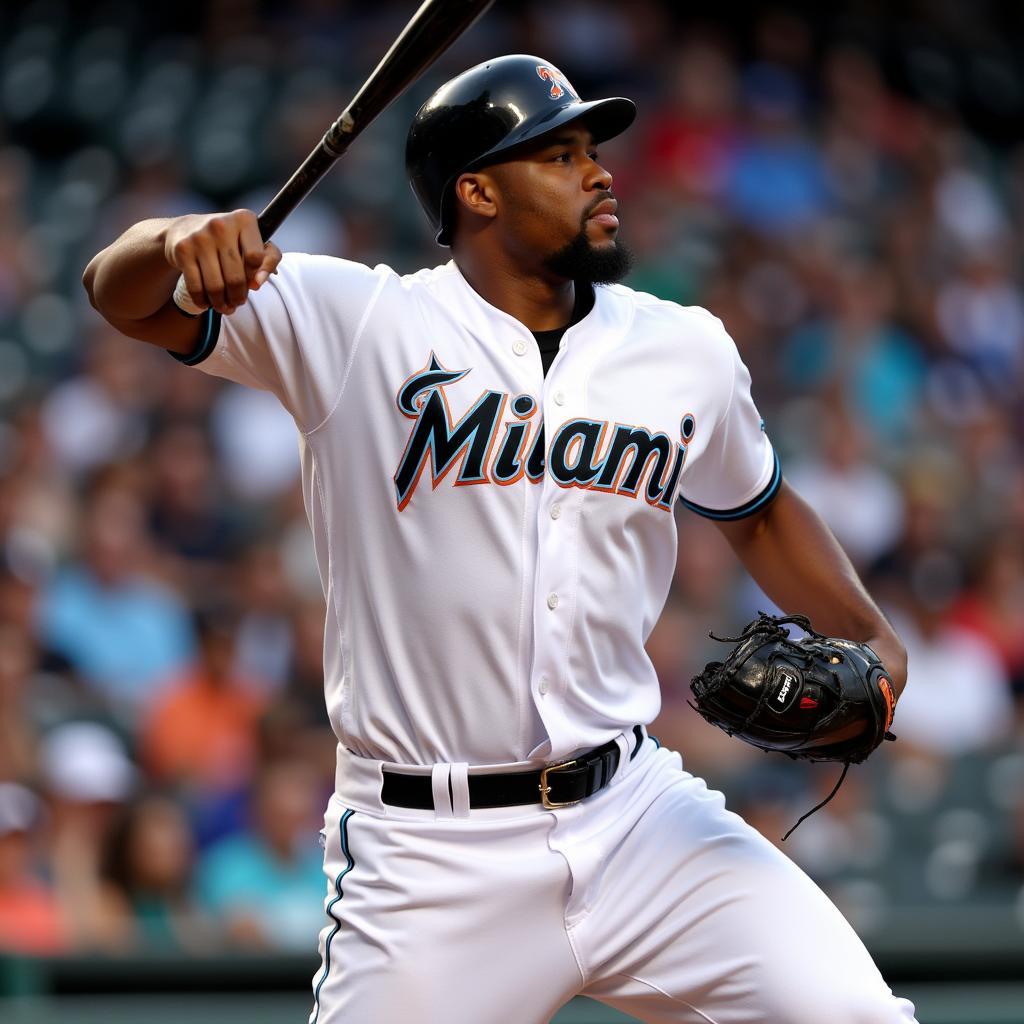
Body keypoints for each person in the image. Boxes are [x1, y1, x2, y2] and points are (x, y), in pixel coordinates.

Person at [84, 54, 916, 1024]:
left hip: (636, 812)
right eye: (557, 156)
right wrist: (179, 241)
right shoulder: (358, 321)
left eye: (592, 151)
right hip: (430, 852)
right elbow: (120, 291)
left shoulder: (680, 347)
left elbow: (760, 506)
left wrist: (873, 636)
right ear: (475, 190)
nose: (598, 173)